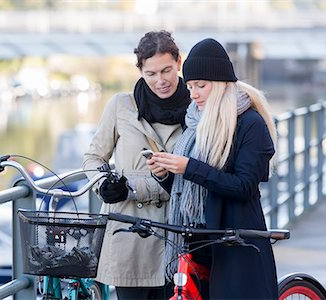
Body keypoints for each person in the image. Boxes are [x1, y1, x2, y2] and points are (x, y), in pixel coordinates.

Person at [147, 38, 279, 299]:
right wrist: (164, 174)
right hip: (197, 240)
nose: (193, 94)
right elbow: (189, 188)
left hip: (236, 242)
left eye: (201, 86)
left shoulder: (250, 124)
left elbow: (242, 186)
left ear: (220, 85)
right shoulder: (196, 123)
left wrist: (189, 167)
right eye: (190, 86)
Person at [82, 30, 191, 300]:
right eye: (150, 74)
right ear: (140, 71)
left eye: (166, 70)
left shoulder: (196, 108)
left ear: (179, 62)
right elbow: (93, 158)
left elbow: (194, 174)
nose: (160, 81)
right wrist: (103, 184)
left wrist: (132, 187)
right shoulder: (122, 106)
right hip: (129, 233)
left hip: (174, 233)